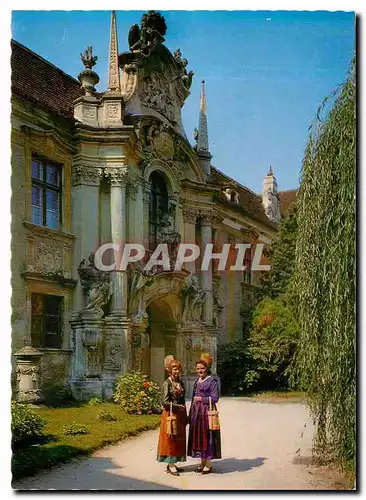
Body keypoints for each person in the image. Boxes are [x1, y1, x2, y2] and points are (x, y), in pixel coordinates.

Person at [187, 353, 222, 474]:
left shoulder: (212, 381)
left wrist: (202, 399)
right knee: (199, 437)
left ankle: (208, 464)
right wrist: (191, 413)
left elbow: (215, 397)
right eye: (198, 369)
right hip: (197, 413)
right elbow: (193, 398)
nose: (200, 370)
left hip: (207, 412)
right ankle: (202, 462)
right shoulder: (197, 381)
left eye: (202, 368)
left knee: (208, 436)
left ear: (206, 368)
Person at [157, 356, 188, 476]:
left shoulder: (180, 382)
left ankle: (173, 463)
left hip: (179, 414)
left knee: (178, 439)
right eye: (174, 369)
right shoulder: (167, 383)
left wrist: (184, 414)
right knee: (170, 438)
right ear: (170, 370)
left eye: (178, 369)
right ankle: (170, 465)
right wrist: (176, 406)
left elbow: (183, 399)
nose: (177, 371)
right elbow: (164, 402)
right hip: (170, 414)